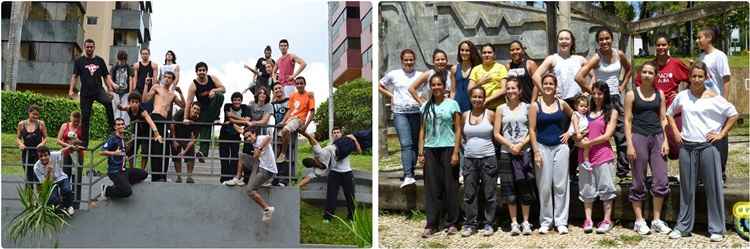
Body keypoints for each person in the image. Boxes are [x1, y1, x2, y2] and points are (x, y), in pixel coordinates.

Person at [666, 62, 738, 242]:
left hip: (708, 147)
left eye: (700, 76)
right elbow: (669, 113)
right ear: (689, 78)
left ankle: (717, 228)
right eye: (693, 76)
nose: (696, 79)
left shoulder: (714, 97)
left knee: (713, 188)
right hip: (687, 147)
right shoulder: (683, 96)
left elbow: (733, 114)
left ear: (706, 77)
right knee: (687, 189)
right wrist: (675, 131)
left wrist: (722, 133)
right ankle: (683, 226)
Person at [534, 29, 592, 182]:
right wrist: (546, 93)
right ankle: (562, 172)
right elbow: (536, 75)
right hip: (560, 103)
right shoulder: (552, 59)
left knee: (577, 137)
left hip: (577, 102)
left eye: (567, 38)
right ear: (557, 41)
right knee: (563, 137)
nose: (564, 41)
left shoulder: (579, 59)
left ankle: (574, 172)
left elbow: (595, 75)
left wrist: (588, 91)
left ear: (572, 41)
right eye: (561, 39)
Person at [576, 28, 632, 181]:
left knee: (621, 135)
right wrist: (594, 93)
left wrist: (622, 85)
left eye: (607, 38)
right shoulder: (596, 58)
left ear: (612, 39)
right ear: (597, 42)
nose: (604, 41)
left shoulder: (619, 54)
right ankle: (591, 164)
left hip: (614, 98)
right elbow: (579, 77)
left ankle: (622, 172)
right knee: (595, 133)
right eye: (601, 39)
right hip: (600, 101)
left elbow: (629, 69)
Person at [624, 62, 672, 235]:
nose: (646, 75)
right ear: (639, 74)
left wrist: (666, 140)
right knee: (638, 178)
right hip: (639, 136)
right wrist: (629, 144)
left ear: (655, 75)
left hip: (658, 136)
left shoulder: (659, 93)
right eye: (644, 72)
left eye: (650, 72)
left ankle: (657, 220)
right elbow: (627, 120)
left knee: (661, 178)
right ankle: (639, 220)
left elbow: (663, 118)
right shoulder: (631, 94)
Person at [528, 73, 576, 235]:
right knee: (544, 186)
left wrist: (570, 132)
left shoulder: (561, 104)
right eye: (545, 84)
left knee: (561, 185)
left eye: (551, 84)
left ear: (555, 87)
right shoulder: (535, 105)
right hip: (542, 147)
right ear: (541, 86)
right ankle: (546, 221)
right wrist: (535, 151)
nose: (548, 86)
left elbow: (575, 115)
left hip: (560, 148)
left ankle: (561, 221)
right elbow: (532, 130)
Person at [417, 74, 462, 238]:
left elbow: (458, 129)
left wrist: (456, 151)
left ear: (444, 86)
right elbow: (422, 130)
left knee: (450, 185)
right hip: (430, 149)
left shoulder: (453, 104)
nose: (436, 87)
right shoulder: (425, 107)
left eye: (439, 84)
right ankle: (432, 223)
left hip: (448, 147)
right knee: (432, 187)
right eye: (433, 85)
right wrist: (421, 152)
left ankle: (452, 222)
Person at [634, 35, 690, 161]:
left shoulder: (676, 64)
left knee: (677, 142)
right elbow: (638, 83)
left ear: (668, 45)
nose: (661, 47)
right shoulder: (650, 66)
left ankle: (686, 169)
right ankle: (659, 172)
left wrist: (683, 94)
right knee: (656, 142)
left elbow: (693, 78)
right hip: (654, 107)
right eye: (658, 45)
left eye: (664, 44)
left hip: (672, 109)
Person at [575, 81, 618, 234]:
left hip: (603, 155)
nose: (596, 96)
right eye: (594, 93)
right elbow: (576, 130)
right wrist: (578, 142)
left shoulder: (612, 112)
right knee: (587, 188)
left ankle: (607, 219)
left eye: (600, 93)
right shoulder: (585, 111)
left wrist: (588, 143)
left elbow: (607, 135)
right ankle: (588, 219)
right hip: (585, 157)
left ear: (605, 94)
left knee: (606, 188)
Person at [494, 78, 534, 236]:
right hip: (506, 152)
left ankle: (526, 222)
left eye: (513, 88)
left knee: (525, 185)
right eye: (508, 88)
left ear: (520, 91)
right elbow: (496, 133)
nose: (510, 91)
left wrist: (520, 145)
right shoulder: (500, 109)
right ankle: (514, 223)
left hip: (524, 152)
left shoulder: (527, 107)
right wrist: (510, 146)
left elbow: (532, 130)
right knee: (508, 186)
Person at [379, 48, 423, 188]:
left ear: (414, 60)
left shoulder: (421, 74)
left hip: (417, 112)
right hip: (400, 113)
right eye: (406, 60)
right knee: (405, 144)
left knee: (415, 143)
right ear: (402, 61)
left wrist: (423, 99)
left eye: (411, 60)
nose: (409, 63)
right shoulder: (394, 74)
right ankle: (408, 175)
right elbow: (380, 85)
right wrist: (392, 96)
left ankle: (411, 172)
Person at [696, 28, 732, 182]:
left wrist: (724, 103)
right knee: (705, 136)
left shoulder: (720, 56)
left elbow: (726, 80)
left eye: (699, 38)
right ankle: (704, 173)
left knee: (720, 137)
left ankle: (721, 172)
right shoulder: (701, 56)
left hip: (717, 103)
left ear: (709, 38)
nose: (697, 40)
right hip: (704, 103)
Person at [460, 87, 496, 237]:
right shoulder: (465, 115)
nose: (477, 100)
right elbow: (462, 135)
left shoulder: (491, 114)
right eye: (474, 97)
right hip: (469, 159)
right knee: (469, 194)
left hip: (488, 158)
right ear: (470, 98)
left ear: (484, 98)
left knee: (489, 193)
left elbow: (496, 135)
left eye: (480, 97)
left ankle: (489, 223)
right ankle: (470, 223)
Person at [299, 131, 357, 223]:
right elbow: (308, 178)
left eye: (338, 132)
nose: (336, 134)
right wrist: (295, 187)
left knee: (350, 196)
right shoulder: (318, 169)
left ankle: (352, 217)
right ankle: (328, 217)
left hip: (347, 173)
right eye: (334, 133)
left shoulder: (325, 151)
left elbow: (313, 141)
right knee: (331, 196)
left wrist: (304, 133)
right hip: (334, 173)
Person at [68, 38, 116, 148]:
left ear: (94, 47)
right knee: (85, 117)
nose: (89, 48)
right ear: (85, 48)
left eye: (91, 47)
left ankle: (112, 128)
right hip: (85, 93)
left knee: (108, 102)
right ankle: (84, 143)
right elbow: (74, 76)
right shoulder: (79, 61)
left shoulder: (100, 61)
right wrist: (71, 90)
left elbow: (106, 76)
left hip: (98, 90)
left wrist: (110, 88)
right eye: (87, 47)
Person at [143, 71, 184, 182]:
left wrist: (180, 93)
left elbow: (184, 106)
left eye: (169, 77)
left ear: (172, 80)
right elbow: (145, 99)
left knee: (165, 150)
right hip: (155, 117)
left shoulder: (172, 94)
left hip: (165, 121)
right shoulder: (156, 87)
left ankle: (163, 176)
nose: (166, 79)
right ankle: (156, 177)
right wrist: (146, 85)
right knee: (156, 148)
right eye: (165, 77)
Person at [97, 118, 148, 201]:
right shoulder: (113, 139)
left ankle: (123, 184)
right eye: (118, 124)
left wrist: (124, 155)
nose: (120, 126)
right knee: (127, 192)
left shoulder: (122, 139)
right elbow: (101, 152)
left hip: (124, 170)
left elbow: (122, 151)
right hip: (115, 172)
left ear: (124, 125)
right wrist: (114, 153)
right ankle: (107, 190)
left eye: (122, 124)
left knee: (144, 174)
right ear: (115, 127)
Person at [184, 62, 226, 160]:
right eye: (199, 70)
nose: (201, 72)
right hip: (202, 111)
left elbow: (223, 89)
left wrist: (214, 90)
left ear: (206, 71)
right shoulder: (193, 85)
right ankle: (203, 153)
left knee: (220, 95)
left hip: (213, 108)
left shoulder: (212, 78)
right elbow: (189, 102)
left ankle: (203, 152)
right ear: (196, 72)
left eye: (203, 70)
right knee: (206, 124)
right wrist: (186, 118)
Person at [239, 127, 277, 223]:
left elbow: (269, 137)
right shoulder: (254, 142)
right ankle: (237, 178)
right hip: (259, 165)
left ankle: (267, 208)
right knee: (242, 156)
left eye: (250, 136)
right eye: (246, 138)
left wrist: (259, 148)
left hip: (267, 170)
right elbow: (240, 130)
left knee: (250, 190)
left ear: (254, 134)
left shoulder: (259, 139)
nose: (248, 139)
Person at [118, 92, 165, 170]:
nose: (134, 104)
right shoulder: (128, 108)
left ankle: (142, 170)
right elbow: (122, 108)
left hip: (145, 133)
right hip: (135, 132)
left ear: (139, 103)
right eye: (132, 102)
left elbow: (150, 122)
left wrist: (156, 133)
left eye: (137, 102)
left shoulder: (143, 112)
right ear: (129, 102)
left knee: (145, 152)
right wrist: (119, 106)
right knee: (130, 151)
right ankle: (132, 169)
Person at [276, 77, 315, 163]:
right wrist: (283, 121)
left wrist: (305, 125)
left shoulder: (309, 95)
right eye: (297, 84)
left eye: (301, 83)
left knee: (285, 130)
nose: (299, 85)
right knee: (278, 136)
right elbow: (290, 110)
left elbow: (312, 112)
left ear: (305, 84)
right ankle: (279, 160)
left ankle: (283, 154)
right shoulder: (293, 95)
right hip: (290, 119)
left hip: (299, 119)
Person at [33, 146, 75, 216]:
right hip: (50, 182)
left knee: (67, 190)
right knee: (53, 199)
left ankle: (69, 206)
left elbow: (62, 151)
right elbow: (44, 183)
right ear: (38, 157)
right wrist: (49, 172)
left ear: (49, 155)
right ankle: (60, 207)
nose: (43, 158)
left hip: (61, 177)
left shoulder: (54, 155)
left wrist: (70, 146)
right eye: (41, 156)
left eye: (46, 155)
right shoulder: (36, 167)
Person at [219, 92, 251, 183]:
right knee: (224, 157)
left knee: (234, 156)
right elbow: (229, 117)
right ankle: (224, 178)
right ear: (232, 101)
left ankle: (232, 177)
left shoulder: (245, 107)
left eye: (238, 100)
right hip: (224, 134)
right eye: (234, 100)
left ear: (241, 101)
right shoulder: (227, 105)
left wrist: (235, 121)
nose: (236, 102)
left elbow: (247, 121)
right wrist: (242, 120)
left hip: (235, 135)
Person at [56, 111, 85, 209]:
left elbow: (85, 142)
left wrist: (78, 143)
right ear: (71, 118)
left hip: (78, 155)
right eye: (74, 121)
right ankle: (65, 202)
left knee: (77, 179)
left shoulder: (82, 127)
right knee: (65, 177)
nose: (76, 123)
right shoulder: (64, 126)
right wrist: (69, 146)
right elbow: (58, 140)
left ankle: (76, 203)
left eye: (78, 121)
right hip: (66, 154)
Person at [468, 44, 508, 110]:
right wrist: (480, 82)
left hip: (497, 107)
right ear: (481, 55)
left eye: (489, 52)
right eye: (484, 53)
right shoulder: (476, 69)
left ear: (494, 55)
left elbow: (504, 89)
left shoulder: (501, 68)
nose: (487, 55)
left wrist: (487, 100)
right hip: (480, 107)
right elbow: (469, 90)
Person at [16, 104, 48, 185]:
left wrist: (42, 143)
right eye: (33, 114)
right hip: (26, 153)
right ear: (29, 113)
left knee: (38, 176)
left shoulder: (41, 124)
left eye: (37, 114)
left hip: (39, 153)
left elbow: (45, 138)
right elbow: (18, 138)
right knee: (28, 176)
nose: (35, 116)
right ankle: (28, 197)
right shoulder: (21, 124)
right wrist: (20, 144)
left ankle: (40, 197)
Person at [171, 103, 201, 183]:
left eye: (197, 110)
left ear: (199, 113)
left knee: (191, 155)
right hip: (176, 135)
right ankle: (179, 177)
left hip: (187, 138)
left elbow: (194, 140)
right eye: (194, 108)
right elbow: (172, 124)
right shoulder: (182, 112)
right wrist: (174, 140)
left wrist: (184, 152)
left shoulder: (198, 121)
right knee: (176, 157)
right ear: (191, 108)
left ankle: (189, 177)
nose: (195, 111)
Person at [451, 41, 482, 112]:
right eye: (462, 50)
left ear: (471, 52)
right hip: (457, 105)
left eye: (467, 50)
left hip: (472, 105)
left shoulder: (477, 68)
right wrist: (451, 105)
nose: (464, 53)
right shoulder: (454, 68)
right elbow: (453, 90)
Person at [111, 50, 134, 125]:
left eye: (124, 61)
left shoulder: (129, 67)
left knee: (125, 111)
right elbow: (110, 79)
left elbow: (130, 79)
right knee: (116, 110)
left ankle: (125, 126)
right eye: (121, 60)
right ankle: (116, 125)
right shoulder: (114, 67)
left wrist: (130, 92)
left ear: (126, 60)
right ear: (118, 59)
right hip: (116, 92)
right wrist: (111, 90)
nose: (122, 62)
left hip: (126, 92)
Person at [132, 47, 159, 112]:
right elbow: (135, 78)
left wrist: (153, 90)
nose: (144, 55)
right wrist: (134, 89)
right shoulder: (136, 65)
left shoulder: (154, 65)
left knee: (148, 106)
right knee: (138, 106)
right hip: (139, 88)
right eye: (143, 54)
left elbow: (155, 79)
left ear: (149, 54)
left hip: (149, 88)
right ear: (141, 55)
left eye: (146, 54)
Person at [568, 96, 591, 170]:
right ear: (576, 106)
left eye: (585, 106)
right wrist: (578, 133)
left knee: (587, 144)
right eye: (581, 106)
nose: (584, 108)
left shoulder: (584, 116)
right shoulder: (576, 115)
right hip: (576, 135)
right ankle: (586, 161)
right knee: (587, 145)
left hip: (582, 135)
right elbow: (575, 125)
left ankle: (585, 161)